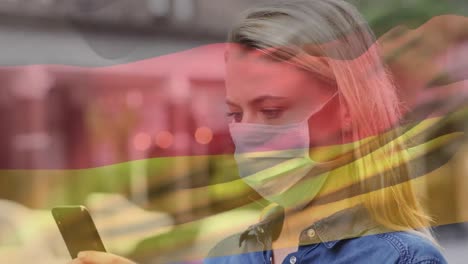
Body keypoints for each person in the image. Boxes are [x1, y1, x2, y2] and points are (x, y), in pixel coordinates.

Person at [69, 0, 467, 263]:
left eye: (272, 110)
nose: (250, 137)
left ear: (344, 112)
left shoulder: (399, 258)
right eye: (235, 114)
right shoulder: (229, 255)